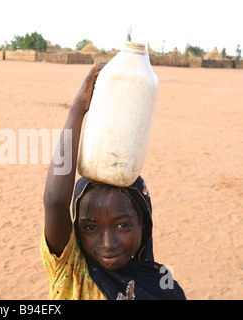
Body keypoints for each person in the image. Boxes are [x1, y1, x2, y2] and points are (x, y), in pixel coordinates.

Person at [41, 63, 186, 300]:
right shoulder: (71, 268)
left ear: (144, 224)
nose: (108, 244)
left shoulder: (162, 286)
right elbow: (55, 202)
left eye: (122, 225)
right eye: (90, 227)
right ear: (76, 229)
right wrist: (77, 110)